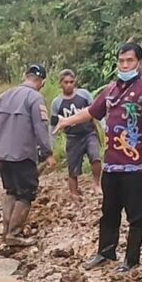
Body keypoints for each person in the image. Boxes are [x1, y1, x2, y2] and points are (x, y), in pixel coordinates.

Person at [55, 42, 142, 272]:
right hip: (112, 165)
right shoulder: (111, 90)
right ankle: (105, 252)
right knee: (109, 212)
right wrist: (66, 121)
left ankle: (131, 260)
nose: (125, 65)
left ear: (140, 63)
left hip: (137, 166)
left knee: (136, 215)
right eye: (121, 61)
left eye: (130, 61)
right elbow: (91, 111)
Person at [0, 64, 56, 247]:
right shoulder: (35, 98)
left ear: (25, 76)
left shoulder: (4, 95)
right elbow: (41, 127)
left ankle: (6, 231)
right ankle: (14, 233)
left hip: (3, 155)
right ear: (42, 82)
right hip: (22, 155)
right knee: (26, 194)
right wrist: (47, 152)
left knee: (11, 191)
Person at [50, 69, 101, 198]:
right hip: (73, 138)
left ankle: (96, 185)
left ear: (75, 82)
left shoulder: (84, 95)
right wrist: (51, 145)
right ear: (60, 84)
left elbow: (96, 111)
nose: (69, 85)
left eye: (71, 82)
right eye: (66, 82)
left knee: (95, 157)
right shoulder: (57, 103)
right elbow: (53, 125)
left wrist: (103, 128)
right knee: (73, 168)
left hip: (89, 133)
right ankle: (73, 193)